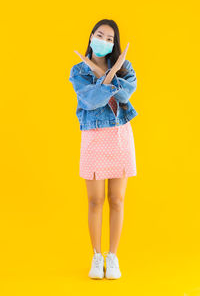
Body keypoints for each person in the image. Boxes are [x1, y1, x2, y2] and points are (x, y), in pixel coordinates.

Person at [69, 19, 138, 279]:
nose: (104, 41)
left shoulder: (125, 67)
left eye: (110, 39)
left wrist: (110, 75)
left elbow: (126, 94)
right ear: (91, 36)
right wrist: (108, 76)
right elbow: (90, 100)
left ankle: (113, 256)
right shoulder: (78, 71)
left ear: (114, 44)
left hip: (119, 135)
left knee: (117, 200)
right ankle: (97, 257)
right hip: (93, 137)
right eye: (100, 35)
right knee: (95, 200)